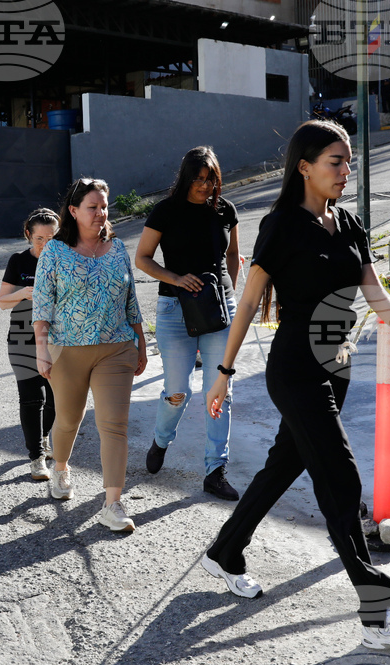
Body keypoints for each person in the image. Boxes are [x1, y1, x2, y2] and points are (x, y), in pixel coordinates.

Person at [202, 120, 390, 650]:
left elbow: (372, 287)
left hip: (338, 366)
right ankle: (379, 614)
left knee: (283, 464)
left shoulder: (349, 223)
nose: (345, 170)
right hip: (294, 368)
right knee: (341, 479)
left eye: (349, 161)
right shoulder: (281, 225)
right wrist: (223, 372)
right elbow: (247, 302)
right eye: (336, 161)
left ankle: (226, 550)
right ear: (305, 166)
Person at [32, 178, 148, 532]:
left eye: (103, 207)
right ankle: (62, 468)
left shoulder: (116, 248)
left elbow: (131, 300)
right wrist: (41, 349)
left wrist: (140, 342)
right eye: (92, 207)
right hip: (67, 349)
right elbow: (42, 302)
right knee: (69, 419)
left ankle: (113, 504)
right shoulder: (55, 250)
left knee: (114, 425)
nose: (100, 213)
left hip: (116, 347)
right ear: (73, 211)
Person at [134, 146, 242, 500]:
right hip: (174, 308)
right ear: (185, 177)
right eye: (197, 178)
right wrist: (177, 278)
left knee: (219, 394)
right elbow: (143, 258)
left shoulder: (225, 210)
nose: (203, 185)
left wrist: (229, 294)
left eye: (210, 179)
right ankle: (161, 440)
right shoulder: (166, 211)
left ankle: (215, 470)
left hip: (218, 310)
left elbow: (231, 255)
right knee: (177, 391)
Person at [0, 208, 59, 481]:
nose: (45, 244)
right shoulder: (18, 261)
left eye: (51, 237)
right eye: (39, 238)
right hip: (23, 337)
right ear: (28, 236)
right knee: (33, 397)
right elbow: (1, 301)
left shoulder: (65, 259)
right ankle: (36, 458)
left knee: (58, 398)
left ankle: (45, 438)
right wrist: (22, 293)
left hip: (59, 338)